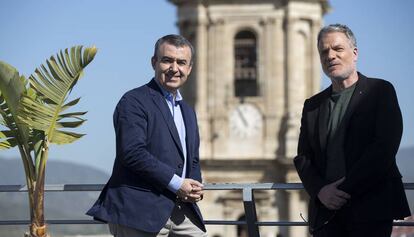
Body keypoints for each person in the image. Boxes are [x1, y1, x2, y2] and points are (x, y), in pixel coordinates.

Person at [294, 24, 411, 236]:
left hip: (370, 210)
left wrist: (341, 191)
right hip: (327, 216)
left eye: (338, 49)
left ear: (354, 53)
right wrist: (320, 191)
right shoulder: (312, 105)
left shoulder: (380, 91)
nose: (330, 56)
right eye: (324, 51)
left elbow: (384, 148)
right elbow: (303, 157)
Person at [87, 34, 207, 237]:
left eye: (181, 62)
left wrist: (194, 186)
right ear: (154, 62)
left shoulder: (188, 111)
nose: (174, 68)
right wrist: (178, 184)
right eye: (167, 60)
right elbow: (132, 152)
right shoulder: (134, 101)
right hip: (138, 212)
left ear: (189, 68)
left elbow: (192, 158)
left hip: (181, 212)